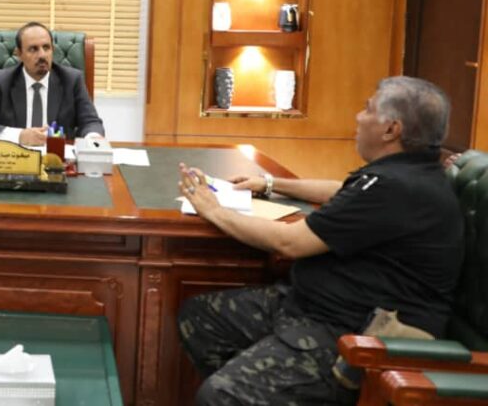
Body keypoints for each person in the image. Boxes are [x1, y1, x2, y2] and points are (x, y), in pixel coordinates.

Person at [176, 76, 463, 405]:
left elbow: (289, 243)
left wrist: (214, 210)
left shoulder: (397, 187)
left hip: (351, 337)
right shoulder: (407, 175)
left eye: (368, 109)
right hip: (311, 306)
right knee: (201, 317)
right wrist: (270, 183)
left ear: (391, 130)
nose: (358, 117)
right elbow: (343, 190)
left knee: (218, 396)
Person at [0, 22, 104, 145]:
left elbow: (91, 122)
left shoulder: (72, 80)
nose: (42, 55)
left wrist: (93, 139)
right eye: (33, 49)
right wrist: (19, 135)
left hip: (57, 158)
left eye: (46, 47)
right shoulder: (1, 81)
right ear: (19, 54)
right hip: (16, 158)